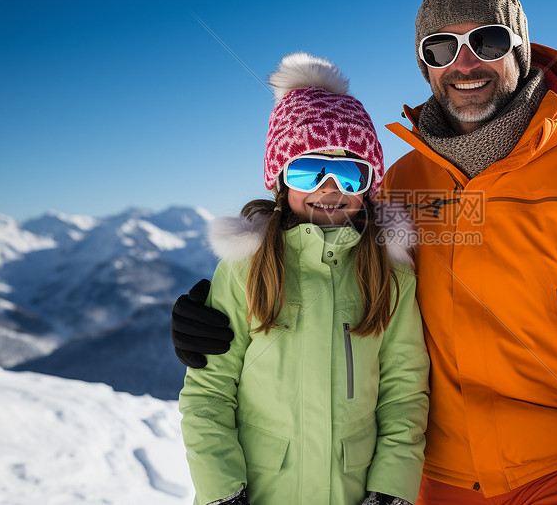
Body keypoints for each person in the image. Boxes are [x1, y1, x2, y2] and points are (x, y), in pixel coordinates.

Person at [172, 0, 557, 505]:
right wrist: (209, 317)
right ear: (425, 64)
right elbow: (324, 262)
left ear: (520, 50)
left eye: (489, 41)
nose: (466, 62)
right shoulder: (400, 184)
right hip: (441, 473)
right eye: (442, 47)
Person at [177, 52, 430, 505]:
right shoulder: (246, 268)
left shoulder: (390, 278)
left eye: (350, 173)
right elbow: (209, 393)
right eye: (308, 170)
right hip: (261, 490)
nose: (329, 188)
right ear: (280, 181)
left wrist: (391, 488)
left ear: (369, 188)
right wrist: (221, 491)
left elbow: (403, 394)